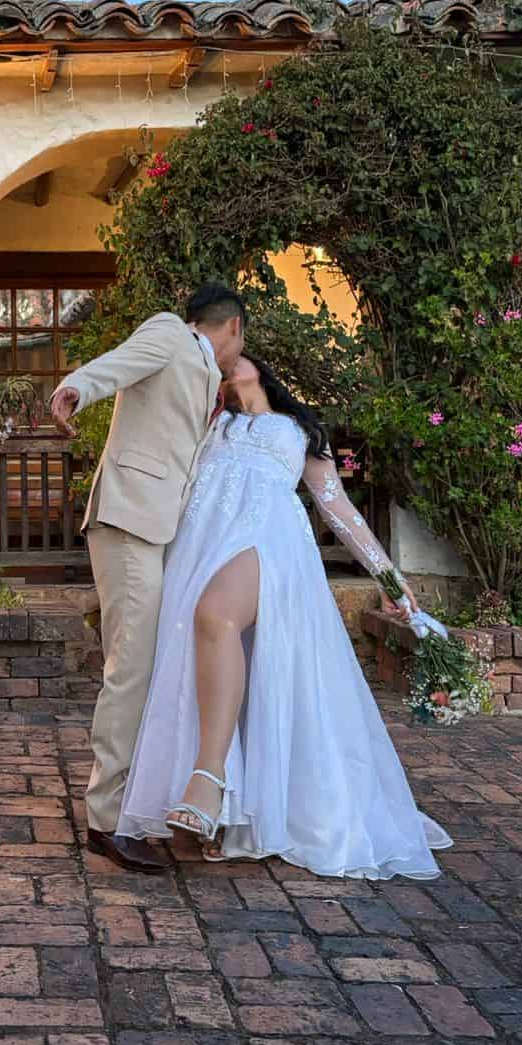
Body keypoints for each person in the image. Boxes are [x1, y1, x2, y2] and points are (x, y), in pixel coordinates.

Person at [118, 354, 451, 880]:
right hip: (202, 544)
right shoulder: (210, 420)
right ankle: (225, 817)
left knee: (216, 616)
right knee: (207, 651)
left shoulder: (299, 430)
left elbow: (336, 506)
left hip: (268, 539)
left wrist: (387, 575)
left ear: (262, 366)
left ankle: (209, 778)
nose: (227, 364)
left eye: (235, 356)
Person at [50, 282, 246, 872]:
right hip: (129, 519)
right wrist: (75, 388)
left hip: (158, 527)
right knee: (130, 667)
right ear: (232, 326)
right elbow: (116, 365)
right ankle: (106, 821)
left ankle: (133, 802)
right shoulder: (170, 333)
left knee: (147, 665)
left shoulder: (208, 375)